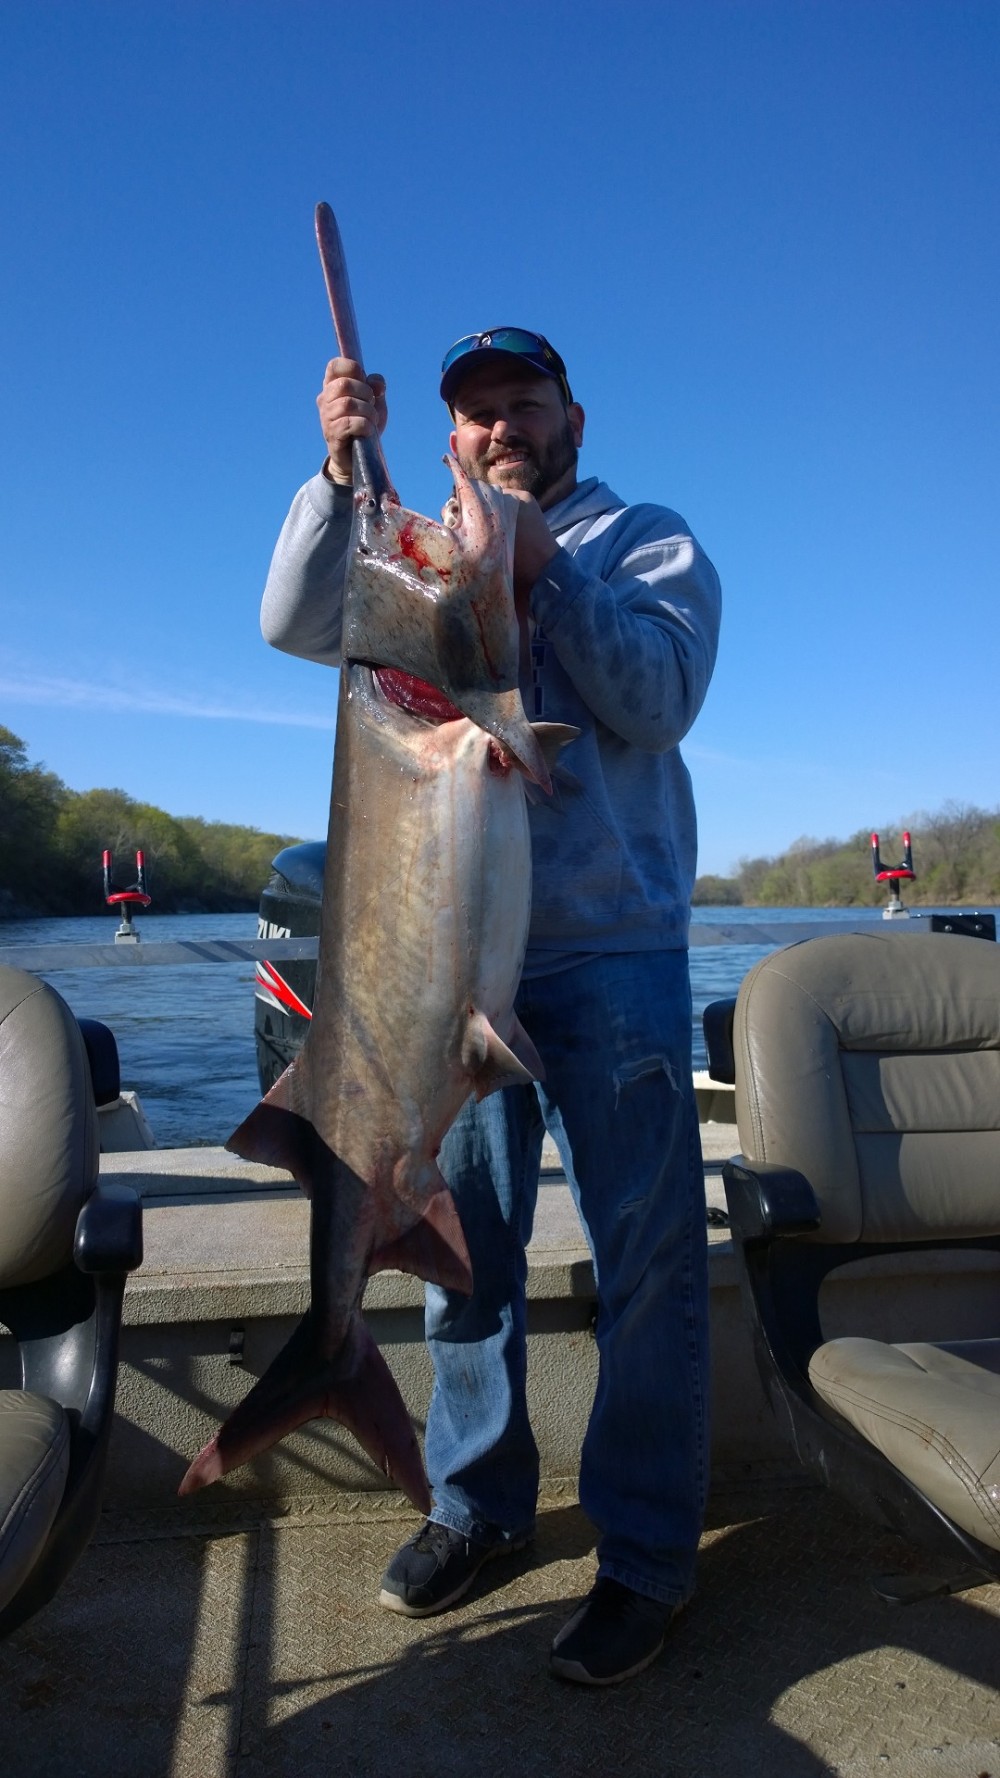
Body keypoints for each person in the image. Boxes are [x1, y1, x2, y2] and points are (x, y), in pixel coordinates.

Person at [260, 328, 722, 1686]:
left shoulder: (645, 540)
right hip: (441, 964)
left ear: (574, 414)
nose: (500, 425)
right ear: (449, 435)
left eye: (524, 404)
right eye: (475, 413)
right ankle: (478, 1504)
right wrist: (335, 466)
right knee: (466, 1256)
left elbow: (661, 695)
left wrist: (542, 564)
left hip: (614, 955)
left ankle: (645, 1557)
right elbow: (294, 616)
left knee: (648, 1272)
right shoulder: (415, 547)